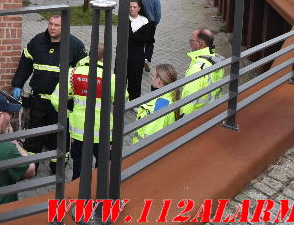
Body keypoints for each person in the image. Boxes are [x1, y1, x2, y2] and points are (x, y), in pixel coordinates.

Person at [11, 14, 86, 173]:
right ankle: (31, 166)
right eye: (50, 24)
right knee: (33, 136)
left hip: (61, 103)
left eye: (57, 25)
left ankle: (57, 166)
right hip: (38, 101)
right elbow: (25, 63)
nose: (52, 27)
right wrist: (17, 84)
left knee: (59, 137)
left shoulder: (75, 46)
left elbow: (83, 72)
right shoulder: (37, 41)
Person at [49, 43, 116, 180]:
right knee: (102, 168)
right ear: (104, 59)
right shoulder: (111, 78)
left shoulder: (73, 73)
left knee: (79, 167)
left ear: (88, 55)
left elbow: (56, 99)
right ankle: (99, 195)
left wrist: (69, 115)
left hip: (80, 132)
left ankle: (79, 195)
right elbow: (123, 99)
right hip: (103, 133)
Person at [180, 28, 225, 116]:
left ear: (200, 44)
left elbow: (190, 99)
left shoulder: (198, 68)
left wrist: (183, 117)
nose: (189, 42)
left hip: (195, 116)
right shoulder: (216, 60)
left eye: (191, 40)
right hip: (210, 111)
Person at [132, 64, 178, 143]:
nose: (151, 78)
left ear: (159, 80)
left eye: (153, 76)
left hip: (142, 152)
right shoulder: (168, 97)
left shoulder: (159, 107)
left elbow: (149, 140)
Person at [127, 0, 154, 100]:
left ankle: (134, 100)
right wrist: (137, 37)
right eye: (130, 7)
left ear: (139, 8)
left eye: (134, 7)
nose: (132, 9)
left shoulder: (144, 20)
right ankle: (119, 100)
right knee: (121, 78)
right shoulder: (124, 19)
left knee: (136, 78)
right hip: (124, 53)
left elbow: (147, 39)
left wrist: (133, 36)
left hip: (138, 54)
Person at [134, 0, 161, 72]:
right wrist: (155, 22)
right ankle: (146, 59)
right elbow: (158, 12)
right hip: (150, 23)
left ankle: (138, 61)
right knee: (149, 42)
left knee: (138, 42)